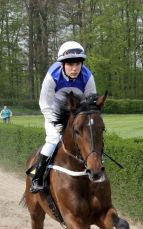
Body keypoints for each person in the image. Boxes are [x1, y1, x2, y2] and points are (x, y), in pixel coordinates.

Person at [30, 40, 97, 193]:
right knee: (53, 139)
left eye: (78, 64)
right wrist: (57, 125)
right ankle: (37, 178)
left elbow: (91, 104)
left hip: (76, 114)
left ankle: (96, 173)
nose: (74, 68)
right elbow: (45, 104)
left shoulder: (88, 77)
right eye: (70, 64)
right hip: (53, 112)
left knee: (91, 140)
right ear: (62, 64)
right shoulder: (52, 76)